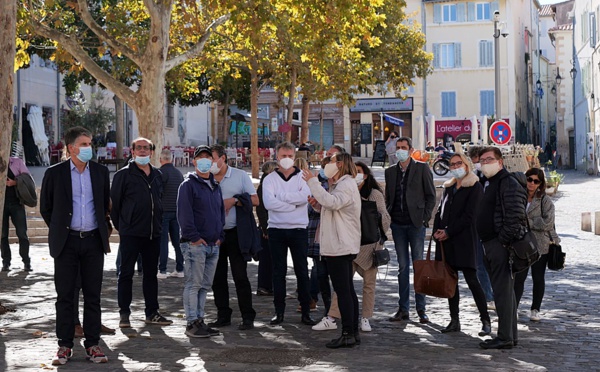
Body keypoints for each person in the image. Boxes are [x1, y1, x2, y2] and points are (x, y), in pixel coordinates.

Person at [40, 126, 110, 365]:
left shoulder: (101, 172)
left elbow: (103, 205)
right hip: (66, 243)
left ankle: (93, 344)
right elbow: (46, 209)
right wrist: (62, 230)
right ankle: (64, 345)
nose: (88, 148)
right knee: (65, 296)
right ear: (71, 148)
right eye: (83, 144)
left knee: (93, 295)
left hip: (92, 242)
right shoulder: (55, 173)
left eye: (90, 143)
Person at [315, 162, 391, 333]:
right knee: (343, 285)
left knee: (368, 284)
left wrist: (378, 235)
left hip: (369, 246)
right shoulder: (344, 190)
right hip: (350, 245)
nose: (355, 175)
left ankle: (365, 317)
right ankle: (333, 316)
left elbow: (385, 218)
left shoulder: (374, 194)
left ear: (366, 175)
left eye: (359, 172)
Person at [111, 137, 172, 329]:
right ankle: (124, 314)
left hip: (153, 233)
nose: (143, 151)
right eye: (140, 148)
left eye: (147, 148)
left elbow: (159, 200)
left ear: (152, 152)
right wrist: (123, 226)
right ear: (133, 151)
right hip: (130, 233)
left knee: (150, 275)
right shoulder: (123, 175)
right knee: (126, 273)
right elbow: (115, 205)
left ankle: (152, 312)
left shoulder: (158, 174)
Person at [302, 153, 362, 348]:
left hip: (340, 246)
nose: (328, 164)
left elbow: (334, 203)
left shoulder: (345, 184)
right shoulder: (341, 185)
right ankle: (352, 331)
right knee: (347, 290)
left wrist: (313, 183)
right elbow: (336, 209)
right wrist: (320, 206)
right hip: (340, 244)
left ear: (342, 164)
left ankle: (347, 332)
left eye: (333, 161)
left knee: (343, 291)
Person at [432, 153, 491, 336]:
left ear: (466, 165)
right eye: (453, 164)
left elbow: (470, 216)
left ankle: (485, 320)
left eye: (459, 163)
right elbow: (439, 211)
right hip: (446, 243)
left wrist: (449, 231)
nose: (456, 166)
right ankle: (454, 319)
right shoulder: (449, 187)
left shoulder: (475, 187)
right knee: (451, 282)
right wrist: (437, 231)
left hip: (465, 241)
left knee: (472, 281)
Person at [476, 146, 527, 349]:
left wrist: (502, 242)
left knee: (503, 292)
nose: (485, 163)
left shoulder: (508, 183)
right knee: (504, 293)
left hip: (500, 245)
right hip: (488, 243)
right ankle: (509, 335)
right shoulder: (488, 182)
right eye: (482, 160)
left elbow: (515, 217)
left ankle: (505, 337)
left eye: (489, 159)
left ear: (500, 162)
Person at [262, 141, 316, 327]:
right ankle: (279, 312)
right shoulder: (269, 179)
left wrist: (282, 198)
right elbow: (269, 204)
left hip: (298, 229)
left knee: (302, 271)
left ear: (295, 157)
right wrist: (293, 204)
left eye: (289, 156)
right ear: (277, 156)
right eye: (283, 156)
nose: (286, 159)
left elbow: (305, 199)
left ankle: (306, 311)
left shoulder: (303, 177)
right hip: (276, 230)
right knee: (278, 272)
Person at [384, 136, 436, 323]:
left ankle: (421, 308)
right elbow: (388, 197)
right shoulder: (390, 172)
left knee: (419, 266)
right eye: (398, 147)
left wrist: (425, 217)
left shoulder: (421, 168)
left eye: (403, 147)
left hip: (416, 225)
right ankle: (403, 308)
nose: (400, 150)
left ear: (410, 149)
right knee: (403, 267)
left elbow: (431, 196)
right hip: (397, 225)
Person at [207, 144, 259, 331]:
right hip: (214, 235)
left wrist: (234, 200)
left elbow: (255, 200)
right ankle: (223, 315)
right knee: (217, 277)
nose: (210, 163)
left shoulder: (239, 175)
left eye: (212, 159)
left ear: (223, 158)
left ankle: (247, 316)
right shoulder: (205, 177)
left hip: (236, 233)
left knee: (240, 275)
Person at [177, 145, 225, 338]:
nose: (204, 161)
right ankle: (191, 323)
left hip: (214, 244)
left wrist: (220, 236)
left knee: (205, 285)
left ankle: (200, 319)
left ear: (213, 162)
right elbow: (185, 216)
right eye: (200, 157)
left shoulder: (215, 185)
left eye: (208, 157)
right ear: (194, 161)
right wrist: (195, 238)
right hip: (194, 244)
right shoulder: (187, 185)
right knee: (193, 284)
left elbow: (220, 212)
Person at [514, 168, 560, 322]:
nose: (531, 184)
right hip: (520, 243)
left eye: (536, 181)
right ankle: (513, 307)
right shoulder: (517, 197)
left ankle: (535, 309)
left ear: (540, 184)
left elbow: (548, 223)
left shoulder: (545, 201)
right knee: (518, 278)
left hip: (540, 244)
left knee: (538, 277)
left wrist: (528, 223)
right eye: (529, 179)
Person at [467, 146, 495, 308]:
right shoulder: (475, 176)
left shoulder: (491, 178)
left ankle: (492, 296)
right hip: (477, 225)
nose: (477, 163)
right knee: (479, 264)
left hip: (489, 227)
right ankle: (488, 296)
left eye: (478, 160)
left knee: (487, 263)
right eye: (475, 161)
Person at [307, 157, 332, 322]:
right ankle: (327, 308)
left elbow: (334, 205)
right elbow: (311, 208)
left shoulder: (343, 186)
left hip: (337, 238)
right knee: (320, 273)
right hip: (318, 236)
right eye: (323, 166)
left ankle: (336, 310)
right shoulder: (318, 185)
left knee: (338, 277)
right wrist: (315, 204)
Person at [1, 156, 32, 272]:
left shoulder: (17, 162)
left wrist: (15, 182)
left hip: (16, 203)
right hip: (1, 205)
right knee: (3, 235)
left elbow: (27, 178)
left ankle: (26, 261)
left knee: (22, 233)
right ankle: (6, 262)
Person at [158, 149, 184, 278]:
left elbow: (158, 192)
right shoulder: (178, 173)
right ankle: (180, 269)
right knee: (177, 242)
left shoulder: (160, 173)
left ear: (161, 159)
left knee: (163, 242)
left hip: (163, 212)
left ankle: (162, 269)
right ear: (172, 159)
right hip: (176, 211)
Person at [256, 161, 278, 296]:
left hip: (270, 225)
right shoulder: (265, 186)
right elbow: (261, 210)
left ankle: (269, 285)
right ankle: (264, 286)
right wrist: (265, 228)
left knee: (271, 259)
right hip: (267, 227)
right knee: (266, 259)